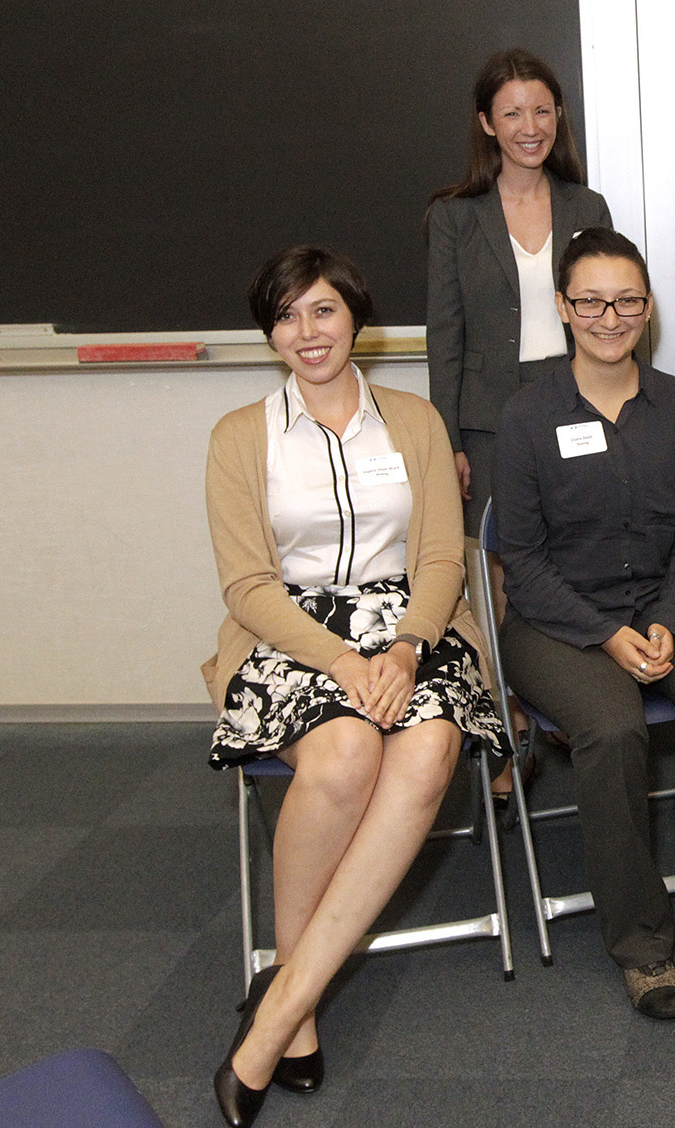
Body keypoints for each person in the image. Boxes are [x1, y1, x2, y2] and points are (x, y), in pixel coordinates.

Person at [203, 246, 508, 1126]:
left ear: (356, 319)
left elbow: (443, 556)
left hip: (412, 626)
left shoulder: (412, 420)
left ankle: (278, 1009)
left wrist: (409, 649)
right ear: (271, 331)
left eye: (323, 311)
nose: (307, 332)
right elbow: (247, 585)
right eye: (287, 315)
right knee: (341, 758)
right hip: (290, 632)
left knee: (426, 752)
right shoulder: (238, 436)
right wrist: (340, 661)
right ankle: (294, 1006)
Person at [493, 227, 675, 1020]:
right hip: (557, 623)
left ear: (648, 307)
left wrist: (663, 619)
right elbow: (520, 557)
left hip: (667, 606)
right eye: (590, 300)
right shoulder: (526, 416)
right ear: (562, 307)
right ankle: (643, 946)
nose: (609, 316)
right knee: (614, 730)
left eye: (625, 300)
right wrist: (603, 634)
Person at [426, 47, 613, 535]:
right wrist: (449, 441)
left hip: (578, 403)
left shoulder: (587, 207)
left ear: (558, 116)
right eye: (512, 113)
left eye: (542, 111)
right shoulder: (456, 216)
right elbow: (444, 338)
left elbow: (618, 316)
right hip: (487, 419)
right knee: (502, 558)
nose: (530, 127)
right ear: (487, 123)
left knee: (586, 545)